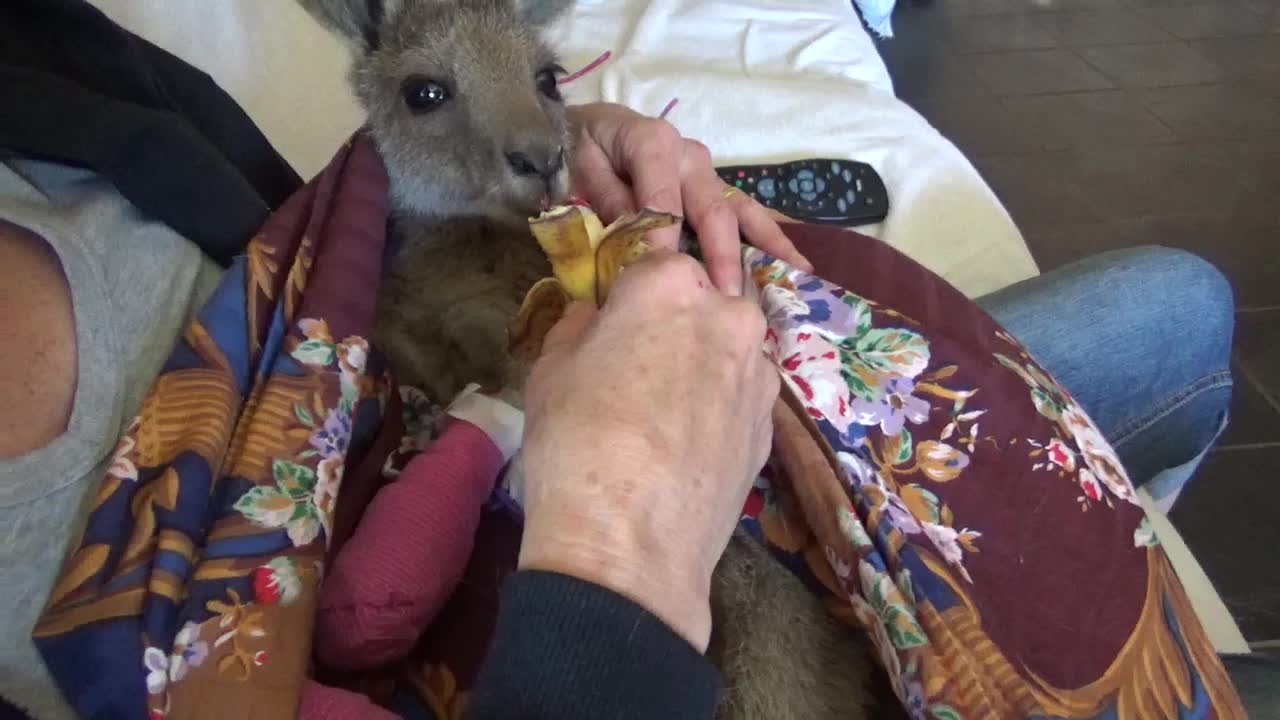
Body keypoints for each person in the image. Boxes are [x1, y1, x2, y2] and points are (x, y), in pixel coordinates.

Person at [0, 101, 1249, 719]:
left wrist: (547, 144)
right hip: (554, 598)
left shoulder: (46, 91)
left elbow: (321, 228)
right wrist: (619, 555)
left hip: (489, 385)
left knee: (1179, 308)